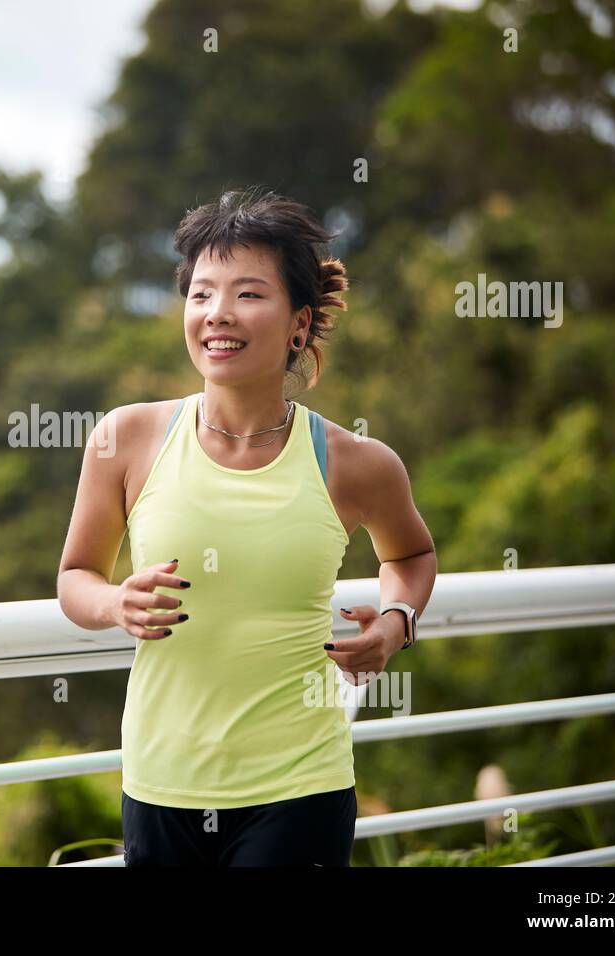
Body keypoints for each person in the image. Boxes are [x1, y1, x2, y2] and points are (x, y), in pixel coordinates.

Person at [56, 186, 438, 866]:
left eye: (248, 294)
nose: (217, 314)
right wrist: (115, 602)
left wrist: (395, 622)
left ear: (299, 324)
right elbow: (75, 578)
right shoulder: (126, 438)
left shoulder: (356, 463)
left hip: (300, 786)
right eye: (201, 294)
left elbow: (411, 554)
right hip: (160, 784)